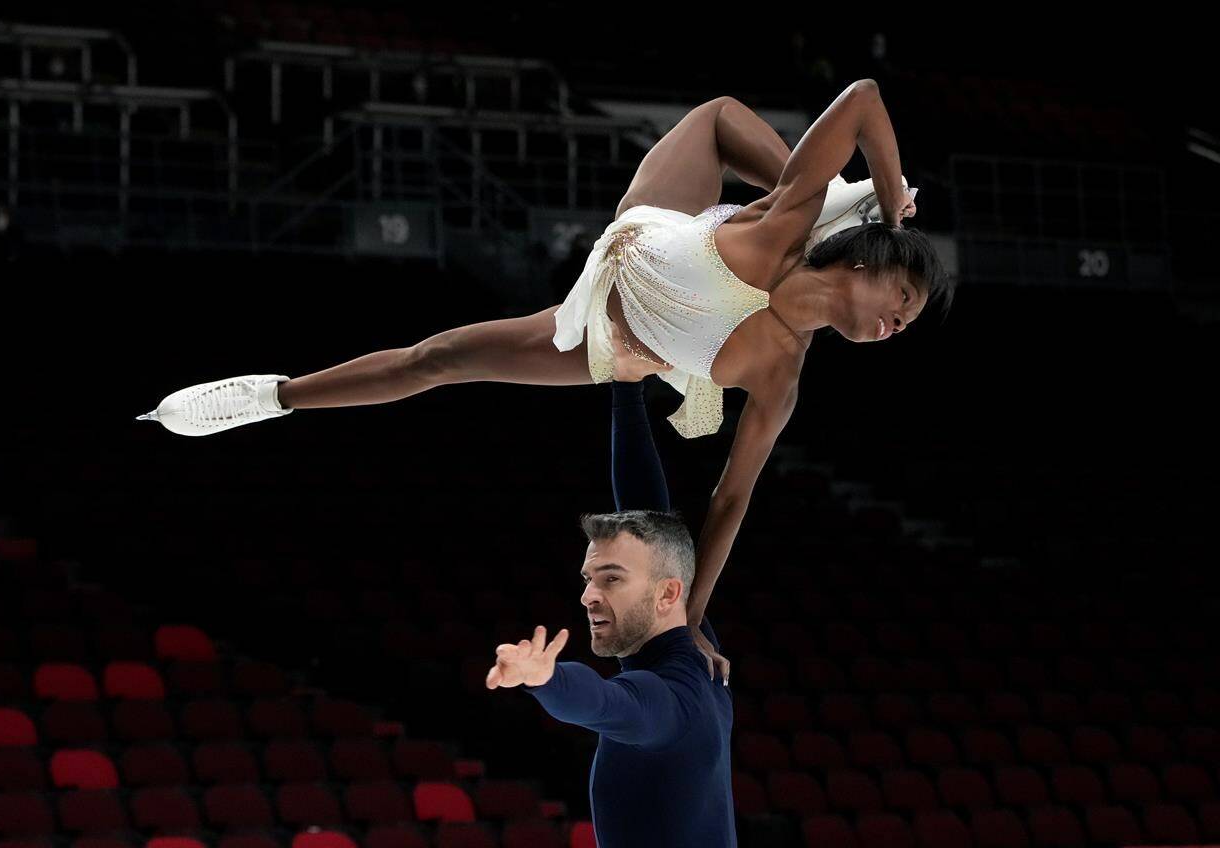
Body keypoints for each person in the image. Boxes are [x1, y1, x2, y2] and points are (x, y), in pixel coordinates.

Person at [138, 79, 952, 661]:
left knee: (444, 358)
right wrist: (887, 197)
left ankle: (275, 400)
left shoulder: (782, 376)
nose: (895, 324)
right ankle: (268, 395)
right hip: (657, 235)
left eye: (906, 324)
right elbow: (865, 98)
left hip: (612, 335)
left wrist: (689, 621)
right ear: (874, 260)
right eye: (902, 297)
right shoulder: (787, 221)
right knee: (716, 119)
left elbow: (730, 501)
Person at [484, 342, 736, 848]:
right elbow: (646, 508)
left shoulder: (670, 705)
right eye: (588, 578)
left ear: (668, 593)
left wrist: (547, 679)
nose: (588, 596)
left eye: (611, 579)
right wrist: (626, 388)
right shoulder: (697, 648)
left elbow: (607, 703)